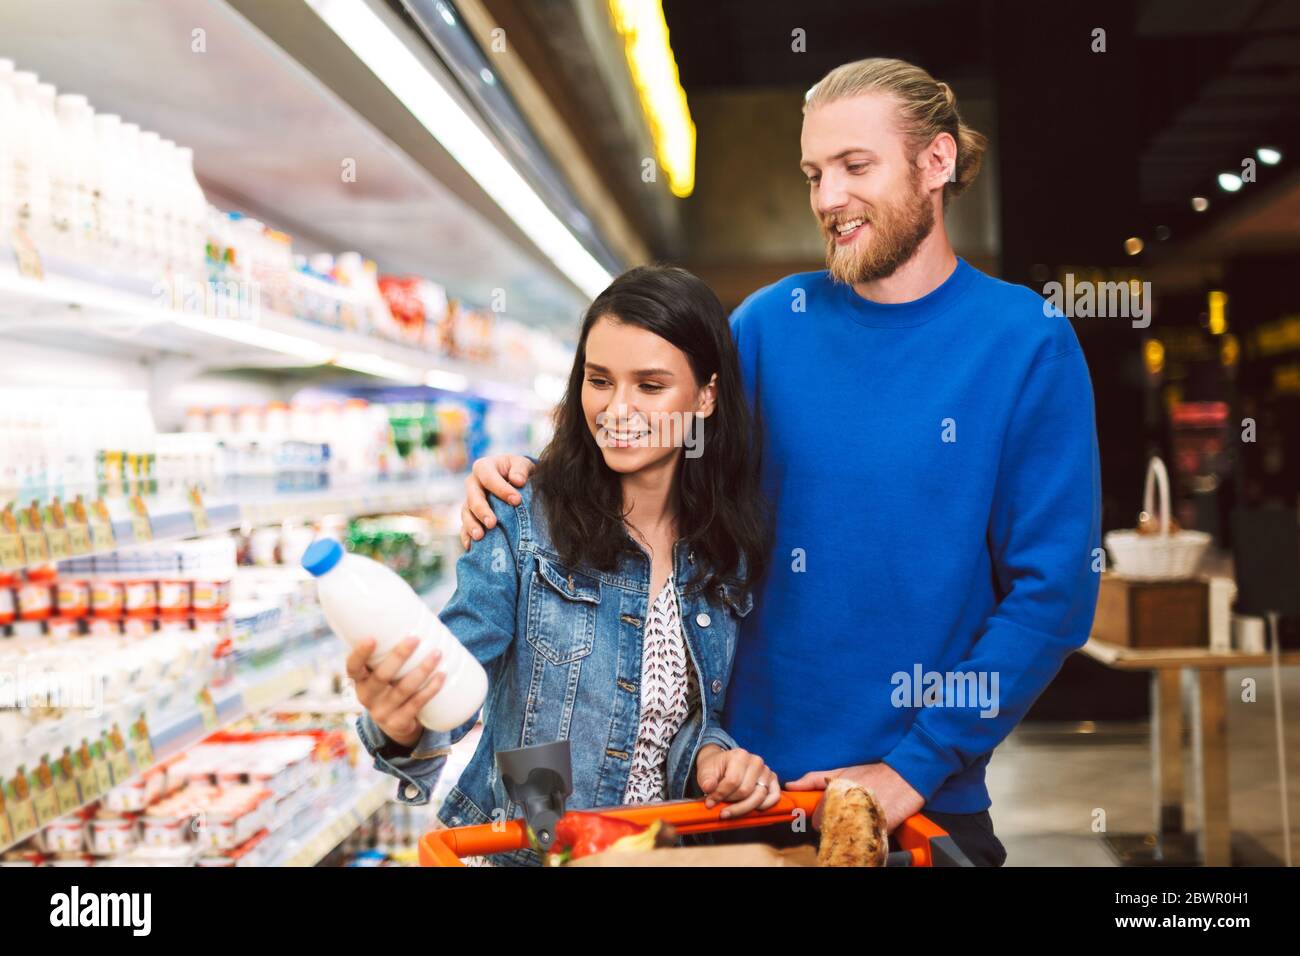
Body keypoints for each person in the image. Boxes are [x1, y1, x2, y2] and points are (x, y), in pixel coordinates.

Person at [458, 58, 1102, 867]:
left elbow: (1054, 596)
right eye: (813, 173)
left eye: (855, 167)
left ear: (936, 163)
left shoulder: (1026, 344)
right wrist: (528, 482)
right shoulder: (768, 327)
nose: (828, 198)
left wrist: (913, 768)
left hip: (917, 804)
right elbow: (658, 463)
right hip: (733, 795)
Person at [348, 264, 777, 866]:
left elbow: (678, 720)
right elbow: (457, 677)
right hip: (525, 855)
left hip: (652, 853)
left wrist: (711, 758)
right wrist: (404, 721)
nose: (617, 409)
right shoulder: (524, 516)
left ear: (705, 395)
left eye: (650, 386)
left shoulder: (721, 549)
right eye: (600, 381)